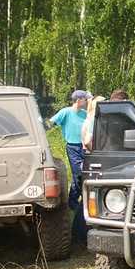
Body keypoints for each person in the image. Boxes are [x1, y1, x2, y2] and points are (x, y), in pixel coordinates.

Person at [50, 90, 90, 243]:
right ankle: (73, 202)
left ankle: (75, 201)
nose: (86, 101)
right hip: (72, 147)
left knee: (83, 174)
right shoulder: (65, 112)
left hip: (85, 147)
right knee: (78, 173)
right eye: (84, 99)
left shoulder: (85, 114)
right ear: (78, 100)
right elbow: (51, 122)